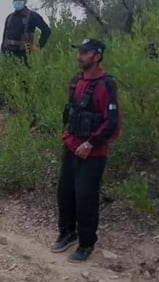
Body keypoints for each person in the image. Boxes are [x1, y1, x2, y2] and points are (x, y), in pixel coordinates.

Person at [51, 38, 121, 263]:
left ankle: (87, 243)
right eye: (79, 52)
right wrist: (69, 139)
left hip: (92, 153)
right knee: (65, 192)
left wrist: (90, 143)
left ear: (97, 55)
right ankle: (67, 232)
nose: (80, 56)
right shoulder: (76, 81)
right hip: (71, 146)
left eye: (85, 52)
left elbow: (111, 122)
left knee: (86, 198)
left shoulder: (106, 84)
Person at [1, 0, 52, 66]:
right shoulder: (9, 17)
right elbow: (4, 37)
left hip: (24, 56)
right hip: (8, 57)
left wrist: (38, 46)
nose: (17, 2)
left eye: (20, 0)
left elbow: (46, 30)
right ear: (13, 2)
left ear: (25, 1)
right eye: (16, 0)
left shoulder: (32, 16)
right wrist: (3, 53)